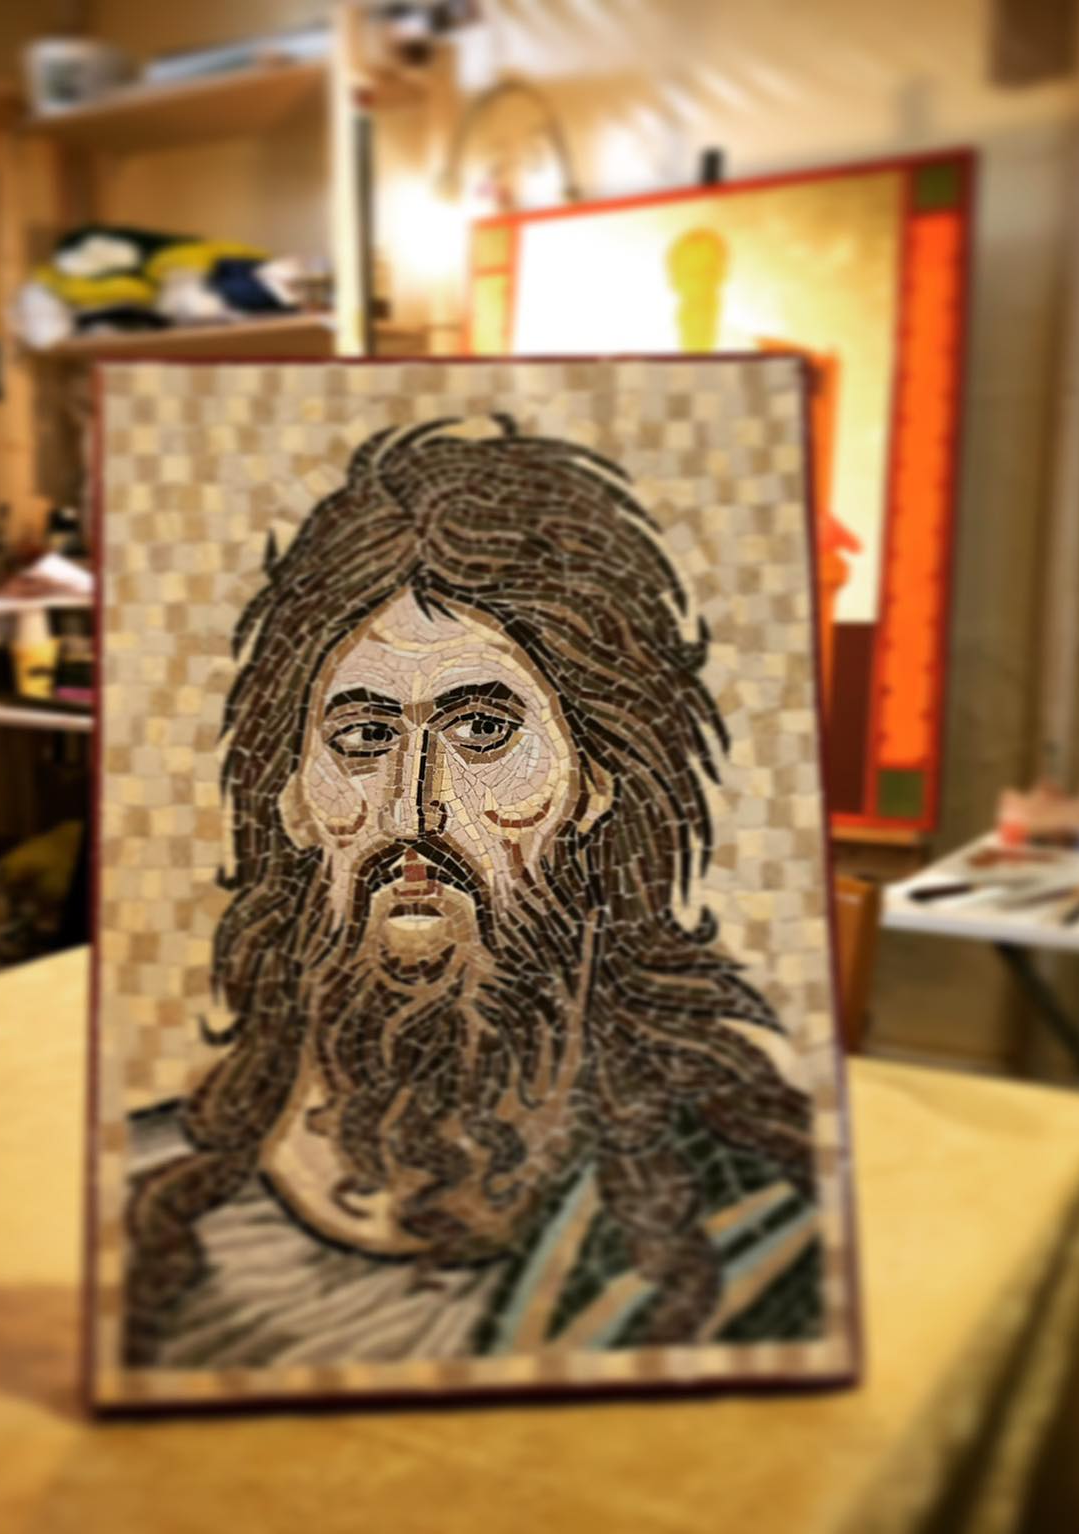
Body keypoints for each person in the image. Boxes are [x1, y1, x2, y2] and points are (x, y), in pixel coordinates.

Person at [124, 417, 821, 1368]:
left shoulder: (743, 1219)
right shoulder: (143, 1185)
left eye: (483, 731)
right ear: (292, 798)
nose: (413, 807)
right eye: (363, 737)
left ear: (594, 781)